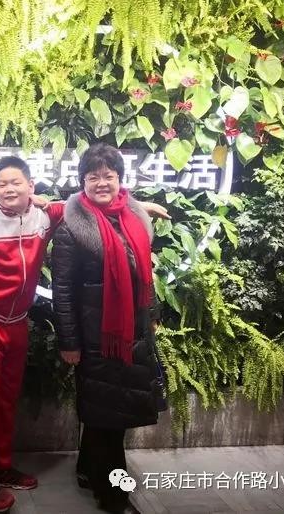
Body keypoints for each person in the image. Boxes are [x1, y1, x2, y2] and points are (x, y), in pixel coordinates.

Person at [0, 155, 168, 513]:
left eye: (17, 182)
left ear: (31, 186)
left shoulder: (46, 217)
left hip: (17, 322)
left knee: (7, 400)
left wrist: (140, 205)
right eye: (2, 184)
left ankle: (0, 464)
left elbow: (86, 205)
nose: (10, 189)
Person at [51, 143, 164, 514]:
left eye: (108, 176)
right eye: (93, 176)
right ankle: (113, 493)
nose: (102, 183)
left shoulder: (133, 218)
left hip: (132, 332)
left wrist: (151, 314)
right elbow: (62, 290)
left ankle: (88, 468)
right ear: (82, 181)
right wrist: (69, 341)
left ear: (119, 179)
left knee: (110, 411)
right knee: (108, 415)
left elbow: (144, 274)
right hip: (95, 337)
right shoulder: (71, 228)